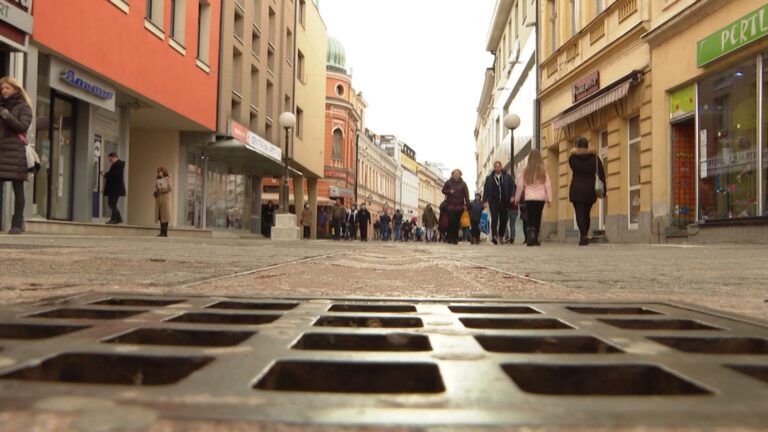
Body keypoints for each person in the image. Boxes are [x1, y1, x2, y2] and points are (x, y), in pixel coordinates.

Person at [0, 77, 33, 234]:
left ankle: (17, 224)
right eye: (2, 88)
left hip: (16, 152)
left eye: (7, 88)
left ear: (15, 89)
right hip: (1, 150)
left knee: (17, 188)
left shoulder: (24, 107)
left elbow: (22, 127)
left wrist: (6, 115)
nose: (4, 91)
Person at [569, 136, 606, 246]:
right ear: (587, 146)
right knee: (586, 213)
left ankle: (583, 236)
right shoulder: (595, 158)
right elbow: (602, 174)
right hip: (589, 189)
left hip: (576, 188)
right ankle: (584, 235)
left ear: (577, 146)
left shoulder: (572, 158)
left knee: (579, 213)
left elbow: (572, 166)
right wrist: (604, 190)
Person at [514, 150, 551, 246]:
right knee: (538, 217)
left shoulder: (525, 170)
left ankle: (530, 238)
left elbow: (520, 185)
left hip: (529, 197)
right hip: (540, 198)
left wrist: (517, 198)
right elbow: (547, 185)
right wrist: (549, 199)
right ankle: (536, 238)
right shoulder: (543, 170)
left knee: (530, 217)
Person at [482, 160, 515, 245]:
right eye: (495, 166)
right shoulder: (489, 178)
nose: (497, 168)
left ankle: (500, 235)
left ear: (501, 167)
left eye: (498, 166)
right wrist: (485, 200)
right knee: (494, 219)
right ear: (494, 167)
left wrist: (512, 196)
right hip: (493, 202)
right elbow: (485, 190)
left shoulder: (507, 177)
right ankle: (494, 237)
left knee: (503, 220)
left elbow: (512, 187)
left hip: (504, 201)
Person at [441, 169, 470, 245]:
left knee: (457, 222)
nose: (456, 174)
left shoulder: (463, 184)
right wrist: (449, 191)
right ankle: (450, 237)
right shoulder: (448, 182)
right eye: (454, 173)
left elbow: (466, 195)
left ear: (460, 174)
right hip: (450, 205)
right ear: (452, 174)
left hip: (459, 206)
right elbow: (443, 190)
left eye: (457, 173)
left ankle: (455, 238)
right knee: (451, 221)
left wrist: (467, 205)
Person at [103, 152, 126, 224]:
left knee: (111, 203)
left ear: (114, 157)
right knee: (113, 203)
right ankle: (114, 219)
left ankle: (118, 218)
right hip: (115, 188)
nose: (110, 161)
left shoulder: (118, 164)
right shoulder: (117, 165)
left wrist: (105, 174)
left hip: (115, 189)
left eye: (110, 159)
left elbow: (114, 175)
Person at [154, 167, 173, 237]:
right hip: (159, 199)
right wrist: (156, 190)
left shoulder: (167, 179)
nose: (159, 173)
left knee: (165, 216)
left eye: (160, 172)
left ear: (163, 172)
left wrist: (161, 190)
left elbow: (170, 188)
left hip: (165, 199)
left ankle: (165, 232)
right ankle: (162, 232)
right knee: (161, 216)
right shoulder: (158, 179)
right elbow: (157, 188)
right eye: (158, 172)